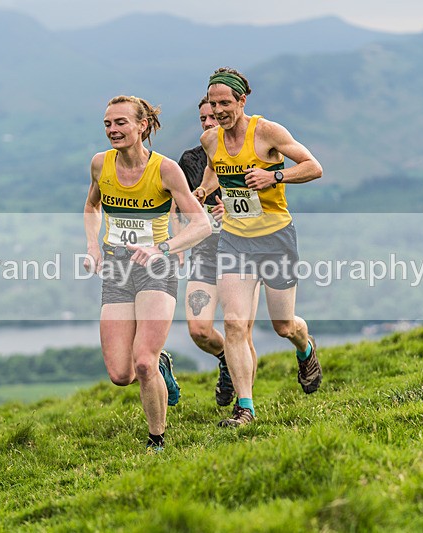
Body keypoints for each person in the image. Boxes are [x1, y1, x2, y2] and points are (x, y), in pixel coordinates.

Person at [196, 67, 324, 427]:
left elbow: (314, 167)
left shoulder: (266, 131)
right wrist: (204, 191)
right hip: (235, 240)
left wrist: (274, 176)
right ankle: (246, 408)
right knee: (235, 323)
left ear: (242, 100)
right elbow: (213, 169)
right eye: (212, 103)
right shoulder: (211, 139)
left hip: (276, 238)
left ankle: (306, 348)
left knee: (284, 325)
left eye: (225, 102)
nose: (219, 110)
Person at [83, 95, 210, 451]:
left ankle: (157, 440)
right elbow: (91, 206)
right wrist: (93, 246)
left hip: (157, 266)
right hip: (117, 269)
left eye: (121, 122)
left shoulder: (166, 169)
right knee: (120, 374)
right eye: (108, 123)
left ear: (142, 126)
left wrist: (164, 247)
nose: (112, 130)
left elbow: (201, 224)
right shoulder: (100, 165)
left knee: (142, 362)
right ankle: (161, 364)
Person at [173, 96, 260, 407]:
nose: (209, 123)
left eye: (213, 116)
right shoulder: (190, 160)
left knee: (240, 330)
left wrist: (236, 212)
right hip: (205, 254)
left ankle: (244, 404)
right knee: (199, 329)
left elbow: (268, 208)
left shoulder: (251, 153)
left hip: (244, 251)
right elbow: (176, 205)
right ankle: (225, 358)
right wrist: (178, 241)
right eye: (203, 119)